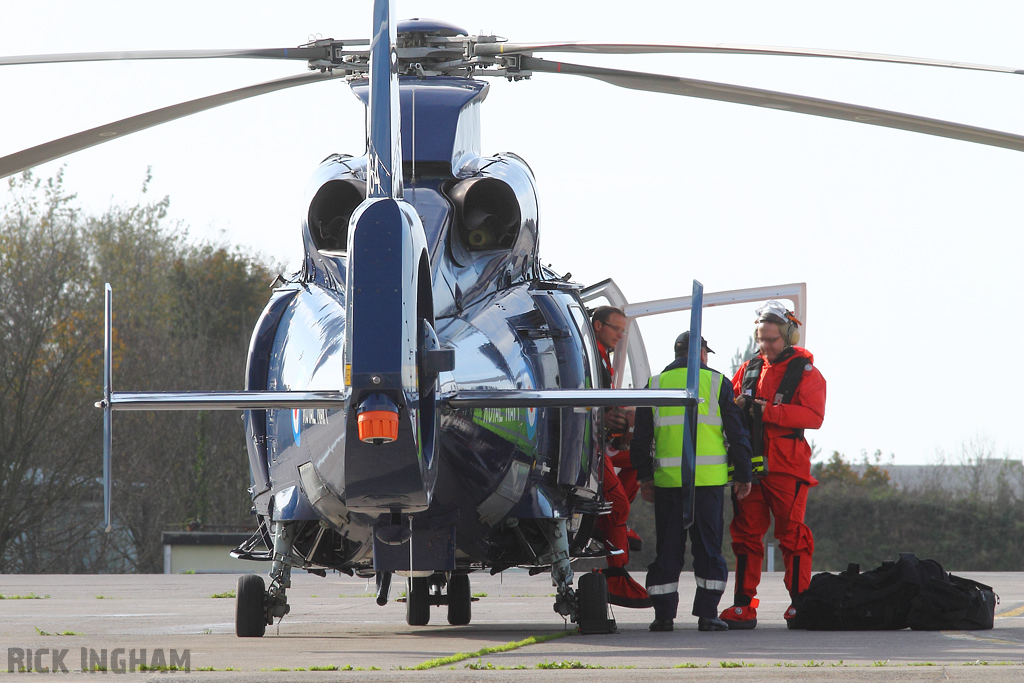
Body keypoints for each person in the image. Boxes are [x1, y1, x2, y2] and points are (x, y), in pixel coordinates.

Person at [631, 331, 753, 632]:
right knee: (708, 549)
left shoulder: (655, 384)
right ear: (702, 354)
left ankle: (663, 617)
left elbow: (640, 439)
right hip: (708, 484)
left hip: (668, 482)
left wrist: (645, 478)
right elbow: (737, 434)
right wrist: (743, 475)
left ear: (676, 353)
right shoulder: (718, 383)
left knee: (668, 550)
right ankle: (708, 615)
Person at [719, 300, 826, 630]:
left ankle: (799, 605)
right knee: (746, 538)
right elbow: (730, 408)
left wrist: (768, 411)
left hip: (786, 468)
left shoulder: (807, 372)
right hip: (750, 469)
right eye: (761, 339)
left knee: (793, 537)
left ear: (789, 336)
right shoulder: (749, 369)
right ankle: (744, 607)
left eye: (772, 339)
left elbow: (814, 417)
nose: (765, 345)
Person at [590, 305, 650, 608]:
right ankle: (615, 574)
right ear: (598, 325)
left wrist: (615, 418)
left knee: (639, 464)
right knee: (617, 504)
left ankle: (616, 529)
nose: (620, 336)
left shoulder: (599, 357)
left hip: (598, 444)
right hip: (588, 448)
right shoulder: (591, 355)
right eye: (617, 329)